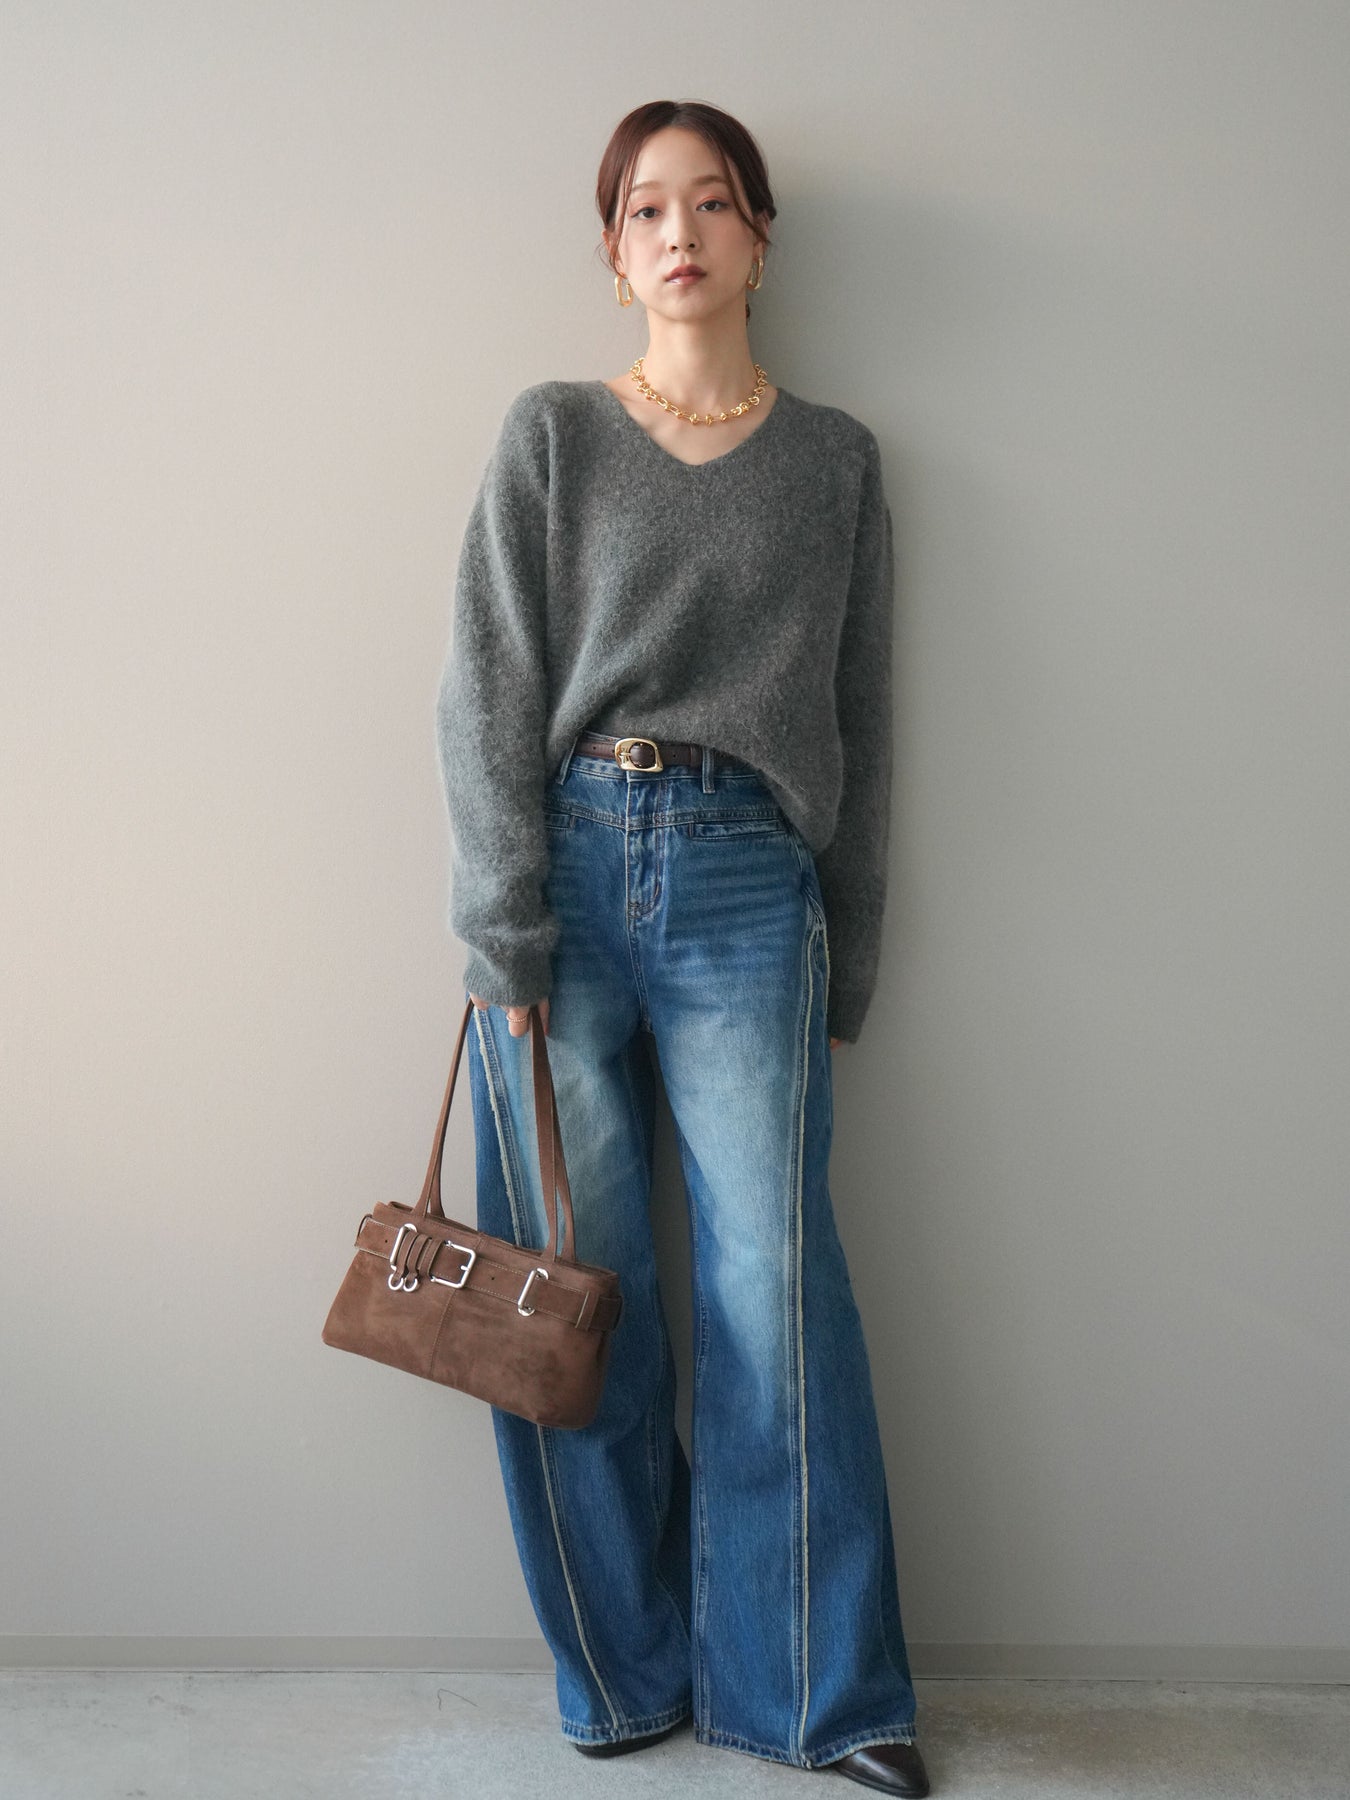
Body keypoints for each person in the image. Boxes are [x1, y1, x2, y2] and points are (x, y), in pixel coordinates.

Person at [435, 99, 930, 1796]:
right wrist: (503, 931)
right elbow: (486, 688)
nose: (679, 232)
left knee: (770, 1292)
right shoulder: (554, 433)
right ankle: (620, 1676)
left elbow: (862, 719)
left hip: (744, 882)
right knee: (578, 1294)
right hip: (561, 876)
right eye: (645, 208)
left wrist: (853, 947)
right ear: (611, 250)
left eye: (711, 203)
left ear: (759, 238)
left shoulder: (835, 462)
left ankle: (820, 1699)